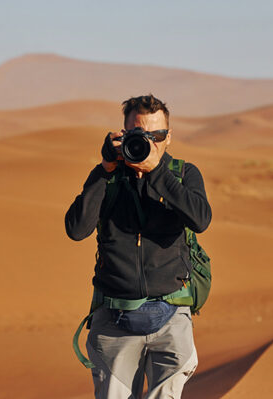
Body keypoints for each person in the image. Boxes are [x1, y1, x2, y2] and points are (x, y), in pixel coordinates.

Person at [65, 94, 212, 398]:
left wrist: (157, 172)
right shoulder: (109, 179)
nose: (149, 143)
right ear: (123, 134)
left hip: (171, 316)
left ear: (168, 137)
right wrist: (104, 168)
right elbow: (76, 229)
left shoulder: (183, 174)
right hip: (114, 319)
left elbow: (200, 220)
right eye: (139, 136)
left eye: (156, 136)